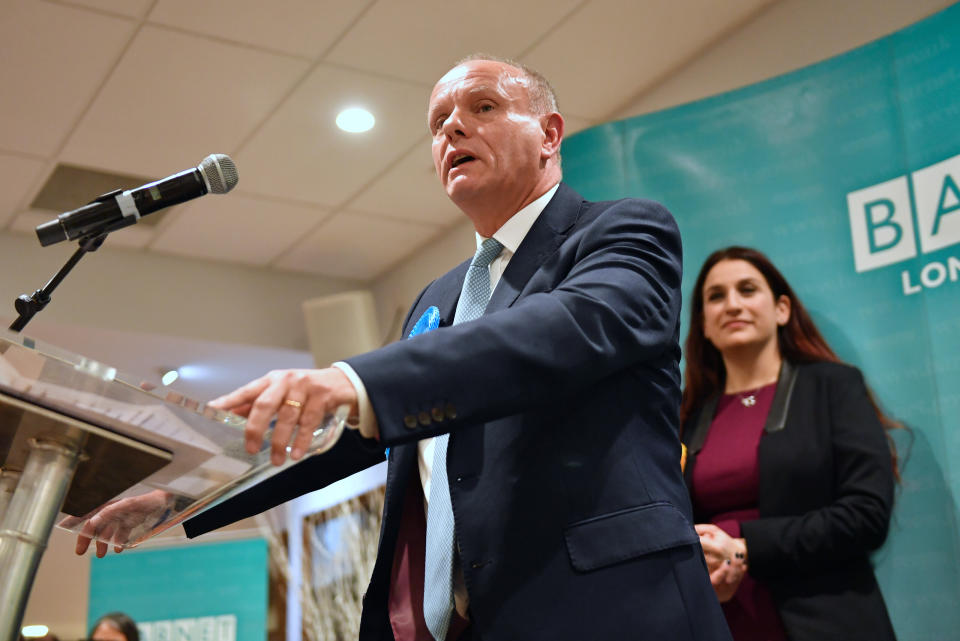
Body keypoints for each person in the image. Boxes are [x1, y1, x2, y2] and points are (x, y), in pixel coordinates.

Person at [81, 54, 731, 641]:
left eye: (482, 107)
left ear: (550, 134)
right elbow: (347, 432)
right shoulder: (436, 299)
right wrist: (183, 489)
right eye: (438, 120)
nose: (452, 129)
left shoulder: (622, 230)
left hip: (611, 609)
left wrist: (352, 378)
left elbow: (564, 328)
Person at [679, 246, 899, 641]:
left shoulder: (834, 387)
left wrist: (745, 547)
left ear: (782, 309)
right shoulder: (682, 418)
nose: (732, 304)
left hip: (827, 622)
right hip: (720, 624)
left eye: (747, 290)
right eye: (716, 296)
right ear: (704, 325)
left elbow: (867, 516)